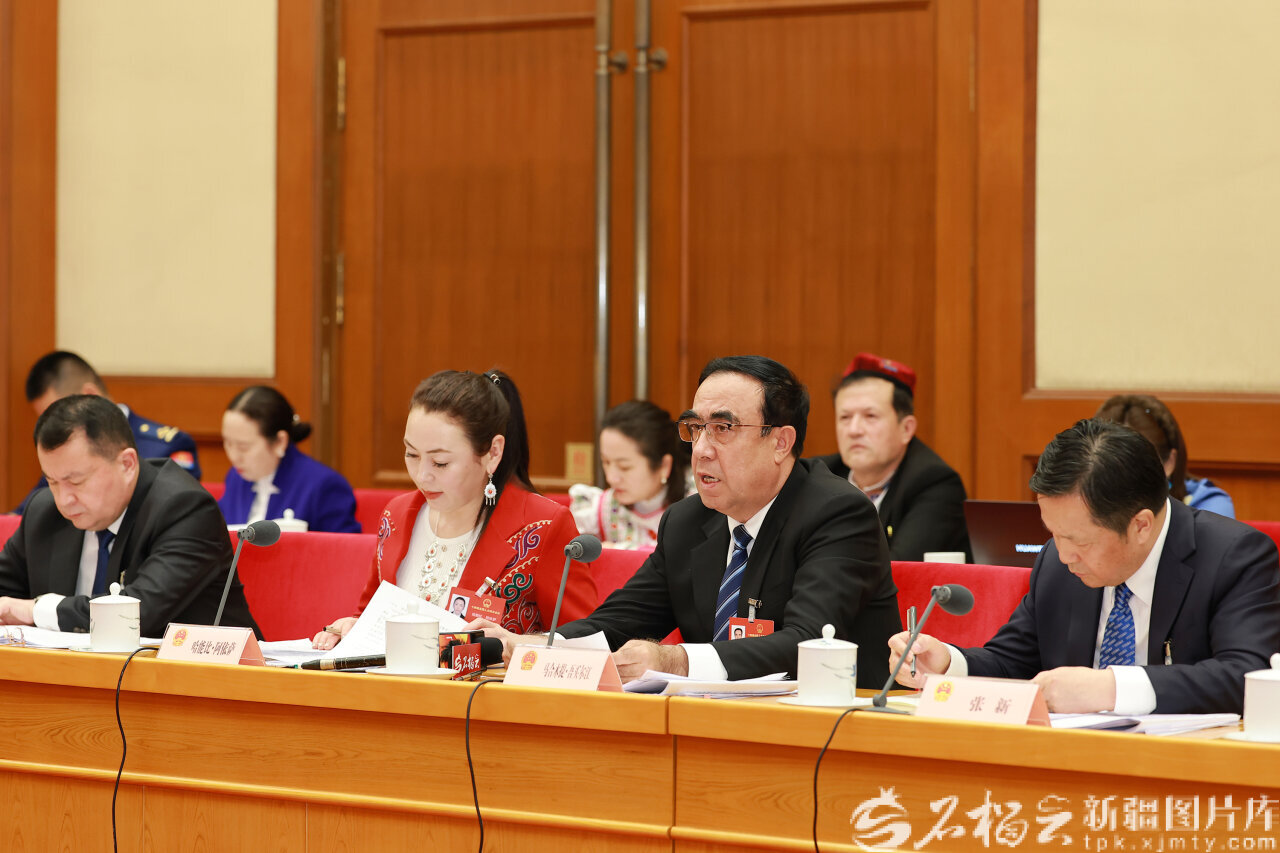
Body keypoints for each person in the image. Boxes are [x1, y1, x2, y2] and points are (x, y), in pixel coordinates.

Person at [477, 356, 901, 685]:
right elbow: (619, 621)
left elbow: (809, 643)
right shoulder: (688, 520)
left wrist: (676, 660)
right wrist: (539, 646)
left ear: (780, 442)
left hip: (836, 731)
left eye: (723, 428)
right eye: (696, 428)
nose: (700, 449)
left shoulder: (838, 515)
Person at [888, 418, 1280, 715]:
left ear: (1141, 525)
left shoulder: (1234, 557)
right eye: (1054, 534)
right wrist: (948, 664)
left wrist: (1109, 688)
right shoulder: (1057, 563)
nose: (1063, 555)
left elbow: (1246, 676)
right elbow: (1013, 662)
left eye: (1080, 541)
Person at [312, 370, 596, 648]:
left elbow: (586, 641)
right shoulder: (396, 515)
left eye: (441, 463)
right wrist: (351, 628)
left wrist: (518, 644)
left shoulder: (541, 526)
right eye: (411, 454)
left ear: (492, 453)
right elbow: (370, 613)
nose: (422, 476)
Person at [0, 395, 259, 636]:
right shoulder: (44, 512)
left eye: (76, 481)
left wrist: (36, 610)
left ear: (127, 464)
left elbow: (134, 615)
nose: (63, 499)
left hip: (205, 669)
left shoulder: (185, 509)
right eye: (52, 482)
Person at [815, 352, 970, 561]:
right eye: (845, 417)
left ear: (906, 429)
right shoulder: (818, 475)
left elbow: (900, 570)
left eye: (870, 416)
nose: (853, 430)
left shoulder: (935, 483)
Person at [13, 351, 201, 514]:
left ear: (89, 395)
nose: (53, 426)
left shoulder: (167, 446)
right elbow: (23, 516)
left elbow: (171, 514)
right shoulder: (63, 452)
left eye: (60, 412)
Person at [218, 386, 360, 533]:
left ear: (280, 441)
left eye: (243, 447)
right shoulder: (236, 477)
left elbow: (345, 545)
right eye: (227, 443)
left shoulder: (324, 485)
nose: (233, 457)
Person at [569, 400, 691, 549]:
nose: (611, 478)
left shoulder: (696, 507)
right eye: (606, 462)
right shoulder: (600, 511)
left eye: (624, 467)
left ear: (664, 466)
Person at [1095, 393, 1235, 518]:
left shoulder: (1210, 508)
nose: (1121, 480)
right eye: (1110, 466)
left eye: (1135, 466)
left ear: (1169, 463)